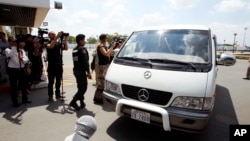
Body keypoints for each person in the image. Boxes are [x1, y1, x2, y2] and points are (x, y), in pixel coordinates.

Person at [5, 38, 31, 107]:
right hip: (13, 70)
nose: (15, 43)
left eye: (16, 42)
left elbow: (27, 60)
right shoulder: (8, 50)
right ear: (10, 43)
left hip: (21, 69)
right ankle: (15, 102)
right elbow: (9, 55)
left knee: (24, 85)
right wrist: (14, 46)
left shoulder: (21, 51)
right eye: (13, 42)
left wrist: (22, 59)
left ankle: (25, 99)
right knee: (13, 87)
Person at [69, 34, 92, 111]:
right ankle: (73, 101)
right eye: (84, 40)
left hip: (76, 70)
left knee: (80, 87)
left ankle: (82, 102)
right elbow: (85, 62)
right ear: (80, 40)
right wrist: (88, 72)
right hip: (81, 71)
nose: (85, 41)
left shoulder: (74, 49)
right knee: (83, 88)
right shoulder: (82, 49)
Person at [46, 31, 68, 102]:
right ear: (49, 36)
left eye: (55, 34)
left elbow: (65, 48)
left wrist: (65, 39)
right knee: (51, 81)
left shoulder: (58, 43)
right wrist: (57, 37)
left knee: (59, 80)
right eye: (53, 34)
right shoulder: (47, 43)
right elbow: (51, 46)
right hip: (52, 65)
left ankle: (57, 94)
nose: (55, 35)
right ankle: (50, 96)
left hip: (59, 65)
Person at [93, 34, 115, 104]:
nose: (107, 39)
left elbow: (108, 54)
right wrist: (111, 47)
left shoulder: (103, 46)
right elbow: (106, 54)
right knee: (101, 83)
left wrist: (110, 48)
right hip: (102, 66)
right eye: (106, 38)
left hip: (105, 65)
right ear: (103, 39)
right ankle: (98, 98)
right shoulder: (101, 46)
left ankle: (99, 98)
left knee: (102, 83)